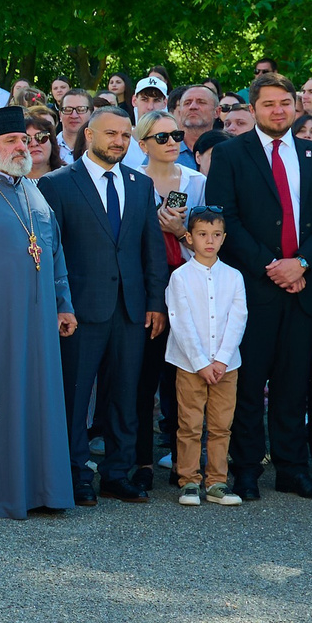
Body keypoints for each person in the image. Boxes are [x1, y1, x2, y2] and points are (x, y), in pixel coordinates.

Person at [203, 73, 312, 499]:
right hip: (254, 286)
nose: (279, 110)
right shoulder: (231, 155)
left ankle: (293, 470)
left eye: (286, 102)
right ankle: (246, 469)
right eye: (269, 104)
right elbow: (225, 217)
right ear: (253, 108)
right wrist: (272, 265)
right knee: (248, 385)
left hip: (304, 285)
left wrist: (300, 263)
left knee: (293, 383)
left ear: (296, 106)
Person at [0, 108, 77, 518]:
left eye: (24, 140)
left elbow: (53, 252)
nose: (23, 147)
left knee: (39, 398)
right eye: (11, 141)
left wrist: (64, 304)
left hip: (38, 323)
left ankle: (42, 490)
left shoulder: (33, 189)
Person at [40, 105, 169, 504]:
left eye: (126, 135)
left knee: (126, 396)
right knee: (75, 397)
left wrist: (154, 302)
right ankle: (76, 474)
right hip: (79, 310)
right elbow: (51, 252)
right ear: (90, 135)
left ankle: (117, 472)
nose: (119, 141)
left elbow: (152, 249)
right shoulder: (57, 184)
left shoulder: (140, 184)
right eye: (111, 133)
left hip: (131, 310)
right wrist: (60, 304)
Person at [133, 108, 207, 485]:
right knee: (145, 379)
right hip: (147, 290)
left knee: (185, 378)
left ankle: (186, 462)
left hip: (188, 289)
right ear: (142, 142)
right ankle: (142, 461)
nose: (172, 143)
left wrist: (181, 232)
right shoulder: (133, 180)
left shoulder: (195, 182)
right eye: (161, 137)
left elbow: (211, 244)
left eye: (176, 135)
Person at [165, 206, 248, 504]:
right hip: (190, 365)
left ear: (224, 238)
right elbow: (180, 320)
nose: (209, 241)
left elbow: (238, 317)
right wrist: (201, 362)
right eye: (202, 234)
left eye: (215, 235)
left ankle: (217, 481)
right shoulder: (181, 277)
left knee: (220, 424)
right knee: (189, 423)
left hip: (226, 366)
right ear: (189, 238)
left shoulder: (234, 276)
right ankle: (189, 480)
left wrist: (222, 359)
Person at [58, 90, 93, 164]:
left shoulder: (100, 149)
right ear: (60, 115)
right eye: (68, 109)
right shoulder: (48, 148)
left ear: (91, 114)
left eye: (81, 109)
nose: (74, 116)